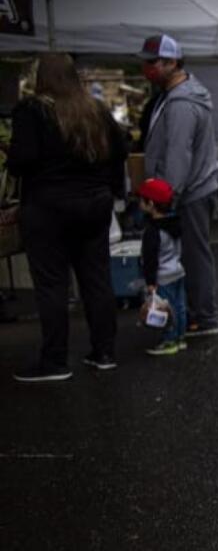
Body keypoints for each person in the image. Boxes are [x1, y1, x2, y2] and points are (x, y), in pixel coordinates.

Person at [9, 53, 128, 381]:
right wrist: (111, 188)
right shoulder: (95, 109)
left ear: (41, 77)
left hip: (48, 207)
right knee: (96, 279)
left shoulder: (32, 110)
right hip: (94, 203)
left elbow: (24, 158)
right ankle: (104, 352)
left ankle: (55, 361)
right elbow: (121, 148)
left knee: (51, 284)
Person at [139, 33, 218, 338]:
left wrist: (163, 195)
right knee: (190, 255)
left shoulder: (181, 102)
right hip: (191, 190)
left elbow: (177, 153)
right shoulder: (178, 96)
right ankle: (197, 313)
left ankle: (204, 316)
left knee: (192, 256)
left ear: (172, 62)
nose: (147, 69)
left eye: (152, 62)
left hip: (187, 192)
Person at [135, 178, 187, 356]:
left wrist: (150, 281)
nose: (139, 203)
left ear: (151, 204)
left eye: (142, 200)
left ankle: (169, 340)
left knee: (166, 311)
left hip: (163, 276)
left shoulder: (153, 231)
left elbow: (150, 259)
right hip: (178, 270)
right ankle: (180, 338)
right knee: (179, 306)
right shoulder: (175, 223)